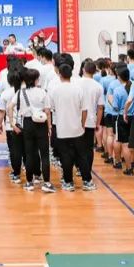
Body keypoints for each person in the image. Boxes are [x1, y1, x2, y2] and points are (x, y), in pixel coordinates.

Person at [51, 63, 93, 191]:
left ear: (59, 74)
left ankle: (68, 182)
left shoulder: (55, 91)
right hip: (77, 129)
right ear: (71, 74)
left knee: (65, 157)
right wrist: (82, 124)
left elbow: (52, 109)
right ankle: (87, 182)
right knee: (82, 156)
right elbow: (85, 110)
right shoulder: (78, 89)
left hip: (62, 129)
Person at [13, 69, 55, 193]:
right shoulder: (42, 92)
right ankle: (46, 183)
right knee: (44, 154)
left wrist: (12, 122)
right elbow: (47, 111)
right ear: (36, 79)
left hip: (27, 123)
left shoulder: (21, 92)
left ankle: (29, 183)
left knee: (29, 153)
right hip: (41, 123)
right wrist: (49, 127)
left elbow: (10, 106)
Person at [0, 66, 25, 184]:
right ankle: (32, 173)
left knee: (14, 151)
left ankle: (16, 174)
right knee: (27, 150)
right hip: (25, 125)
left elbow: (1, 112)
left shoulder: (5, 93)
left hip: (11, 126)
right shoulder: (26, 92)